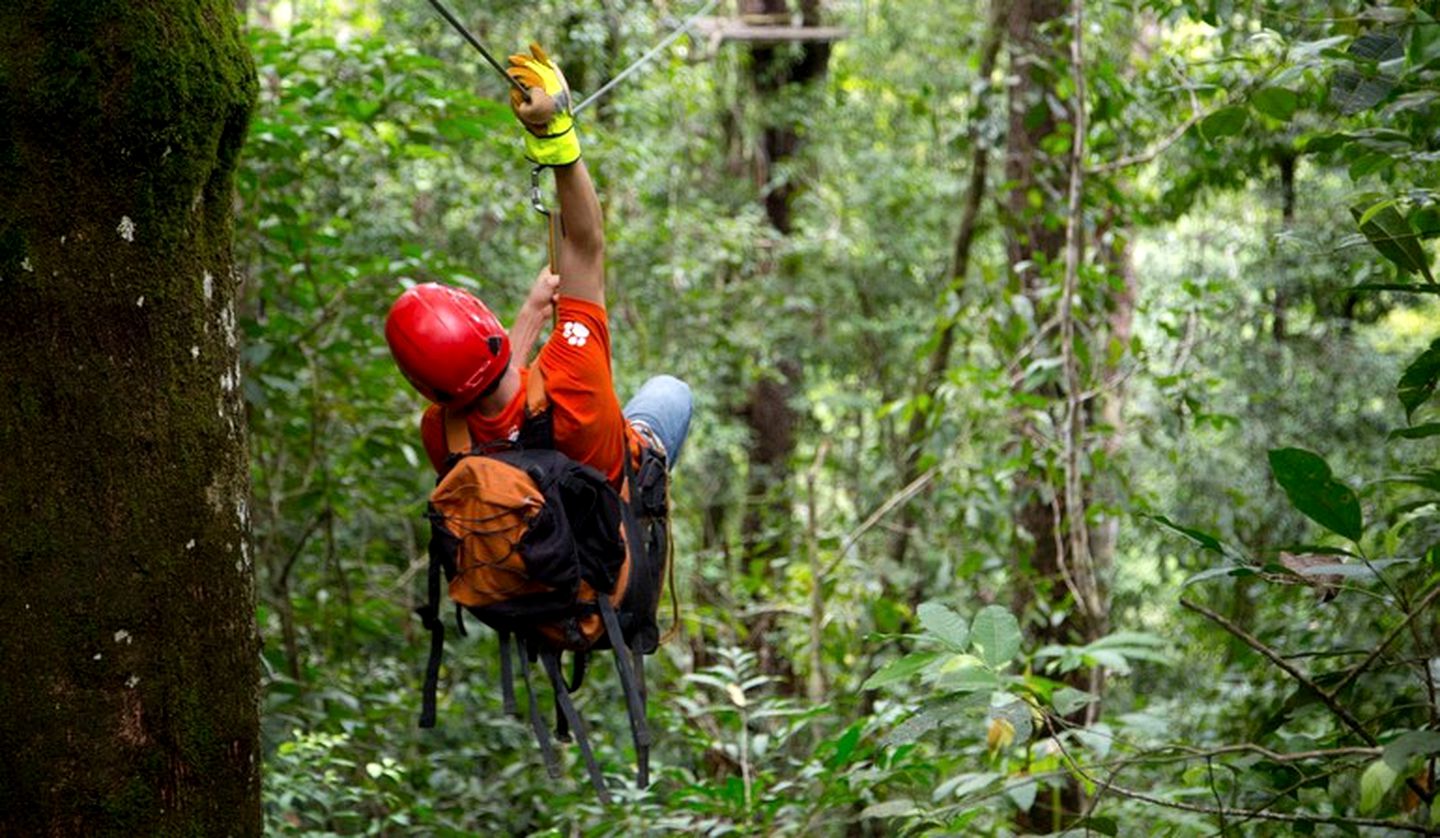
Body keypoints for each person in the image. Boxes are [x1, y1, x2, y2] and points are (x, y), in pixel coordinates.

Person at [384, 44, 691, 484]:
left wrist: (531, 313)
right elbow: (585, 245)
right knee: (670, 392)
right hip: (616, 524)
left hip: (534, 547)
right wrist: (554, 135)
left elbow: (495, 402)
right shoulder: (572, 371)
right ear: (487, 329)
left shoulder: (444, 436)